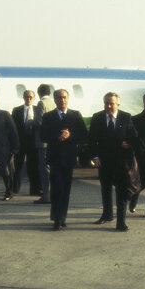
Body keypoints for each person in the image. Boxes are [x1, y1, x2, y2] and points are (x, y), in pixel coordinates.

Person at [89, 92, 138, 232]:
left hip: (122, 163)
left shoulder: (126, 117)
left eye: (111, 103)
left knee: (122, 192)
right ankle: (107, 215)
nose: (109, 106)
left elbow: (134, 136)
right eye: (106, 103)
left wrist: (129, 144)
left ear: (118, 104)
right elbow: (91, 139)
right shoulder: (97, 117)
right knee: (105, 189)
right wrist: (95, 156)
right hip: (104, 162)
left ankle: (121, 222)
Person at [40, 89, 87, 230]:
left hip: (69, 157)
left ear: (68, 98)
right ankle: (56, 217)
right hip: (54, 158)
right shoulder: (48, 116)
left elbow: (84, 134)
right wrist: (57, 136)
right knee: (56, 188)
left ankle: (63, 217)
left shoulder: (75, 115)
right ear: (55, 100)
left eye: (64, 97)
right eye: (59, 98)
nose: (62, 100)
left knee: (66, 189)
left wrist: (70, 135)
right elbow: (43, 136)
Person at [0, 97, 19, 201]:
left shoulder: (4, 114)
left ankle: (9, 192)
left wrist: (15, 146)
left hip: (3, 147)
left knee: (6, 171)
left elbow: (13, 130)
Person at [11, 90, 40, 195]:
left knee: (32, 167)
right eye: (27, 97)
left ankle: (34, 189)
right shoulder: (16, 110)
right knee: (17, 167)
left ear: (34, 98)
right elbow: (13, 128)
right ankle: (15, 188)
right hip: (20, 143)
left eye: (30, 97)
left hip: (33, 143)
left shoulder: (37, 109)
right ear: (23, 97)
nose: (28, 98)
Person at [33, 84, 56, 204]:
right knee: (51, 168)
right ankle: (52, 193)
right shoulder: (53, 102)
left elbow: (39, 122)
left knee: (44, 169)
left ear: (39, 93)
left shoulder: (41, 103)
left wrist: (30, 122)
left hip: (43, 142)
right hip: (52, 140)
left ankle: (47, 195)